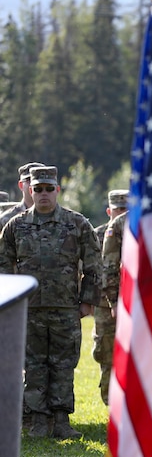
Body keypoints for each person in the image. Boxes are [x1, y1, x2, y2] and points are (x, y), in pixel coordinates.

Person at [0, 165, 102, 439]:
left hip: (66, 308)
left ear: (57, 190)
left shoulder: (77, 223)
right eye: (38, 189)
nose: (43, 194)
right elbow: (3, 264)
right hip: (29, 309)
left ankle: (60, 422)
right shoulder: (15, 226)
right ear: (30, 191)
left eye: (48, 189)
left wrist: (88, 301)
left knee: (63, 364)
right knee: (33, 365)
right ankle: (35, 423)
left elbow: (94, 264)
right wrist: (12, 301)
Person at [91, 189, 129, 405]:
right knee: (107, 353)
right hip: (106, 306)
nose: (124, 213)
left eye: (127, 209)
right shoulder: (97, 235)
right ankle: (111, 400)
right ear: (109, 211)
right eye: (119, 209)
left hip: (134, 303)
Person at [0, 163, 38, 231]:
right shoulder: (6, 219)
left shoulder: (59, 217)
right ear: (21, 185)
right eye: (30, 180)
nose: (34, 184)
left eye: (37, 181)